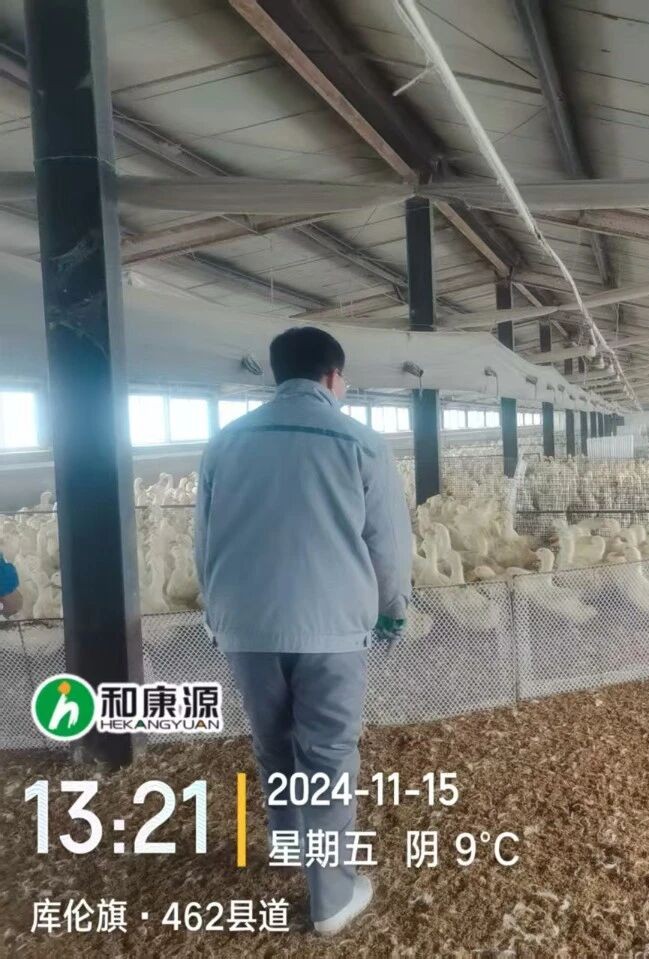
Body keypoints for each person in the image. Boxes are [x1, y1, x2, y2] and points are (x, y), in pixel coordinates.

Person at [195, 326, 412, 936]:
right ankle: (331, 897)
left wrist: (220, 612)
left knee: (274, 742)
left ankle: (288, 843)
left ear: (277, 373)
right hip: (331, 625)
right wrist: (394, 609)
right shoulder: (360, 442)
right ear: (333, 377)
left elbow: (203, 542)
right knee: (328, 755)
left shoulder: (224, 443)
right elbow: (388, 544)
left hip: (248, 625)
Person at [0, 552, 18, 617]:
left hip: (8, 595)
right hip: (10, 595)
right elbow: (16, 583)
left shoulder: (9, 567)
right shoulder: (10, 566)